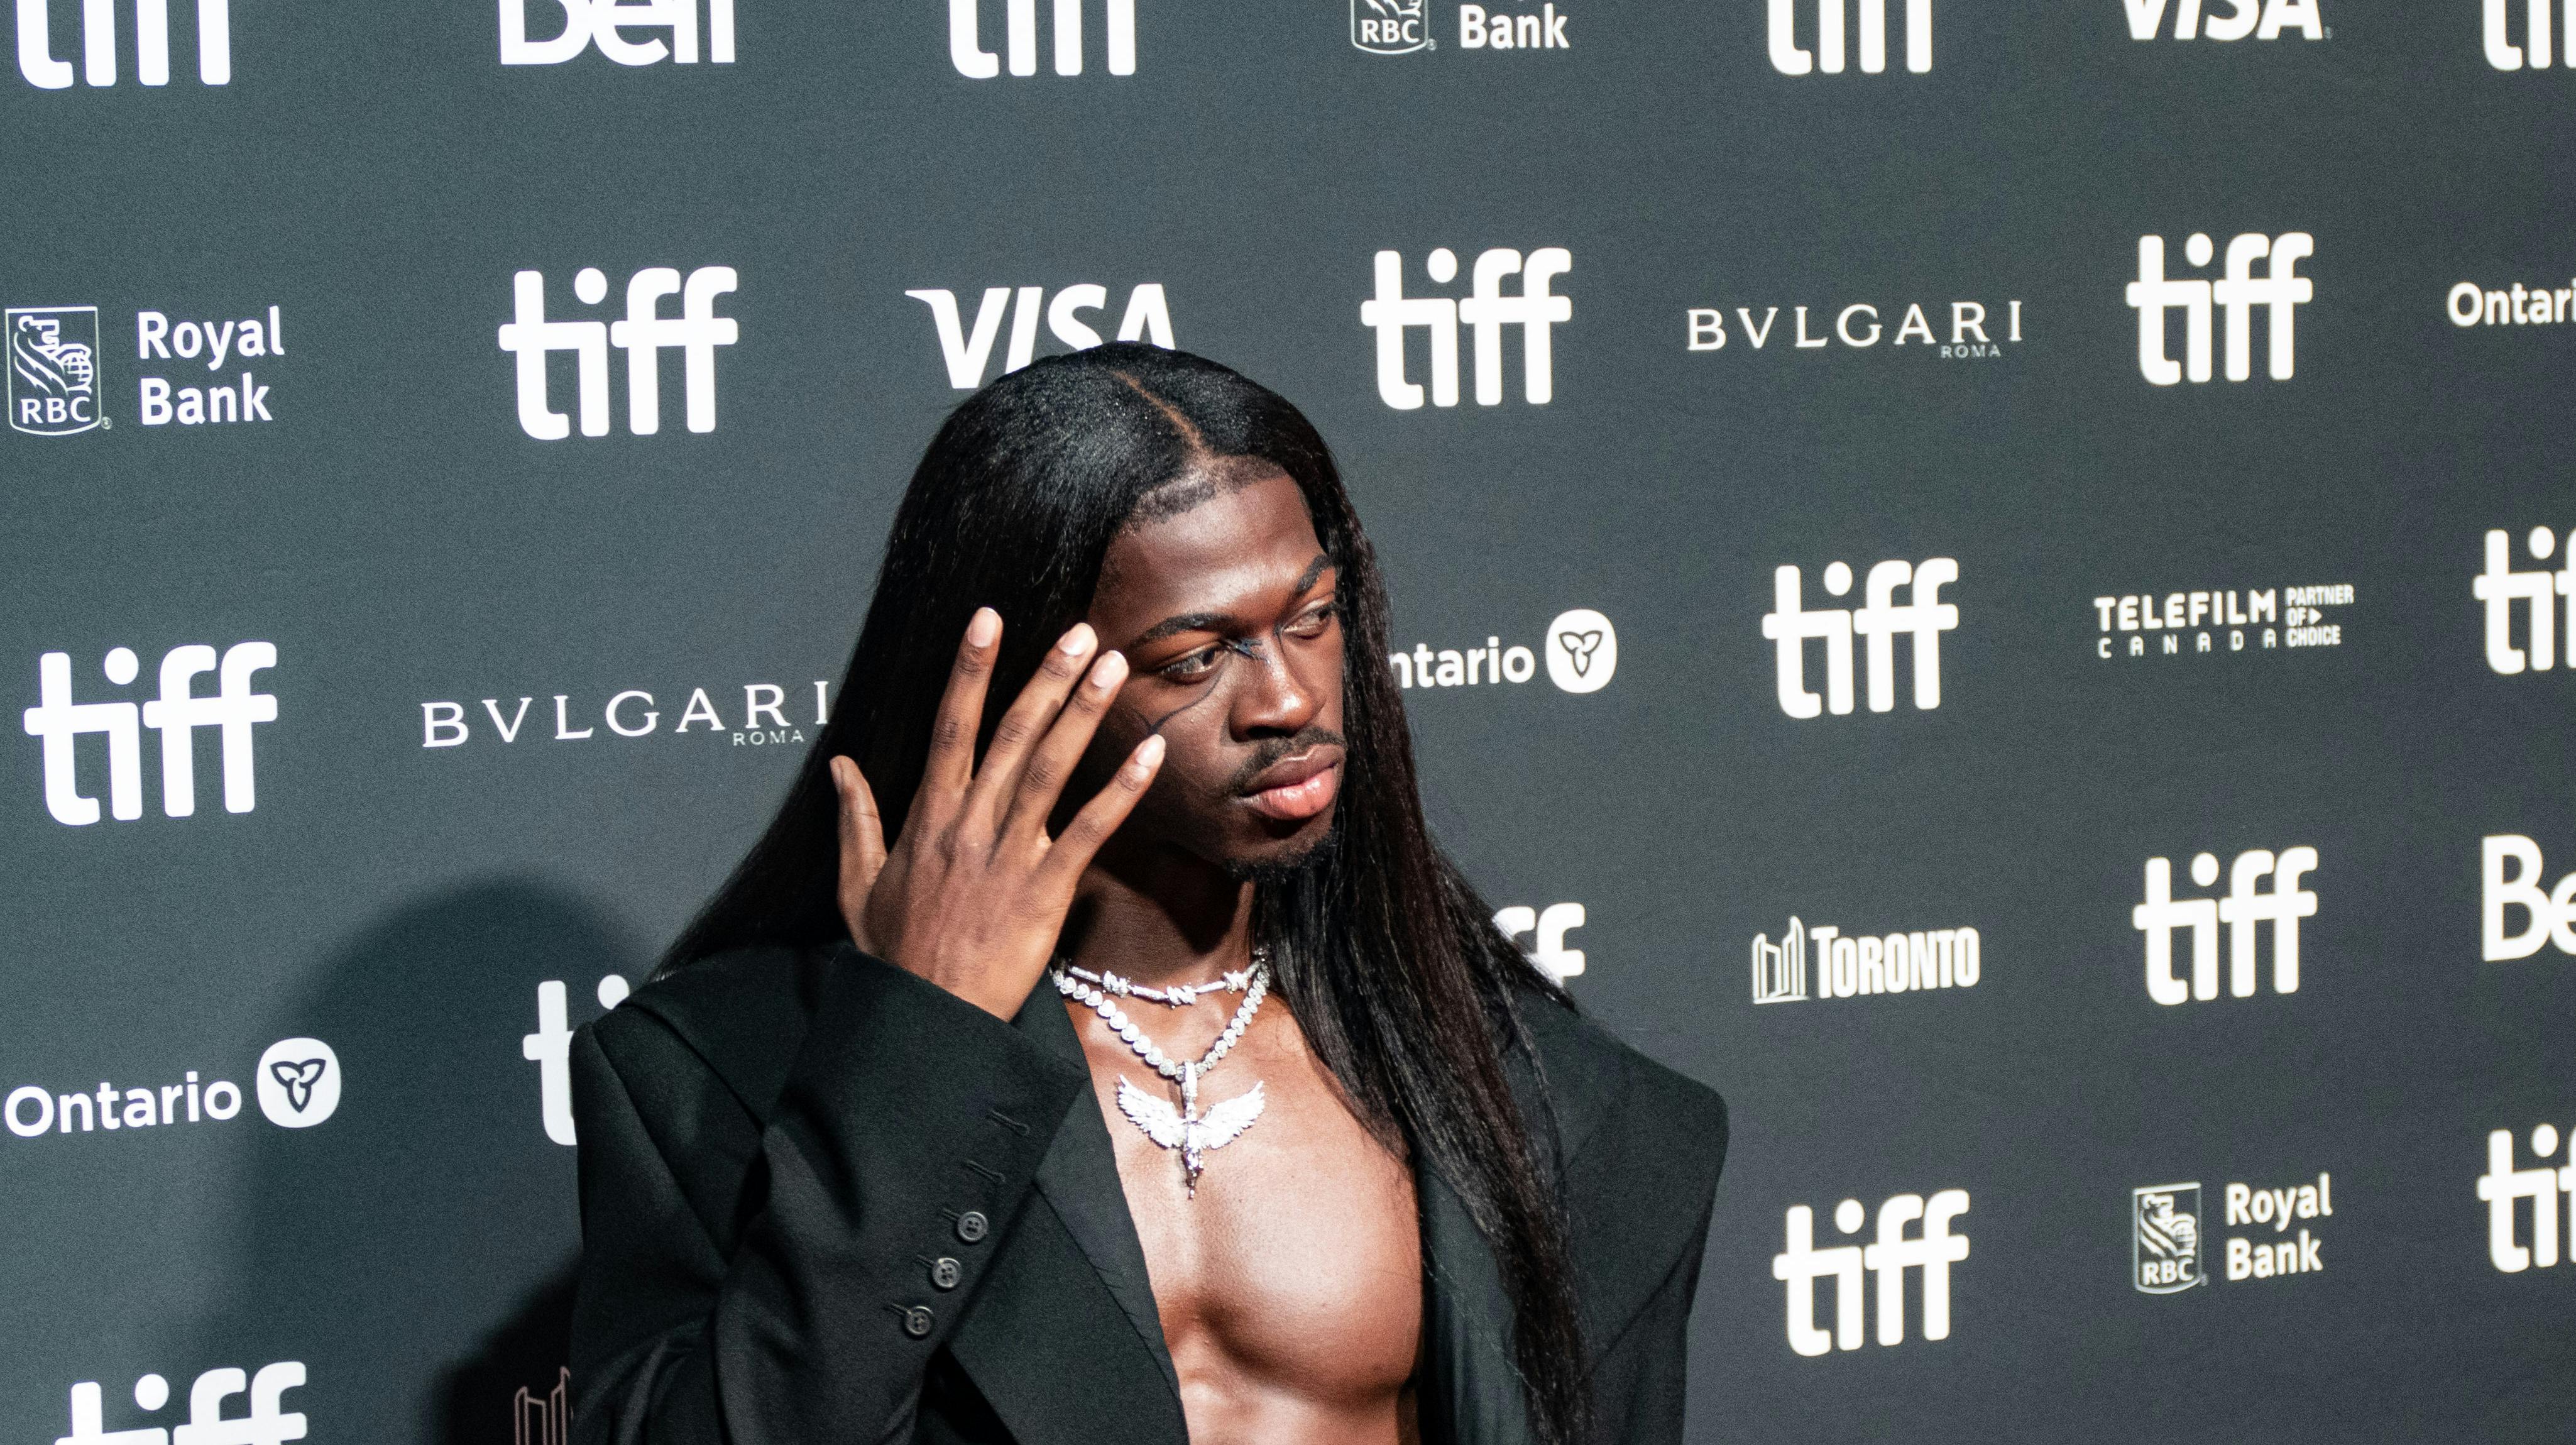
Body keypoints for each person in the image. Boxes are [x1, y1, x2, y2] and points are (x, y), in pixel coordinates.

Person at [566, 344, 1727, 1445]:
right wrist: (922, 1046)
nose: (1287, 699)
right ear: (1031, 679)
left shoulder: (1535, 1100)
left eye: (1313, 620)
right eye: (1195, 658)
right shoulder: (710, 1079)